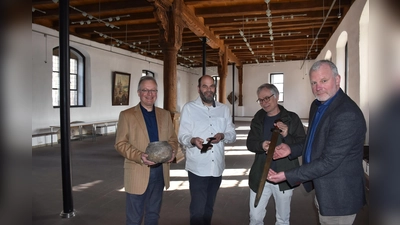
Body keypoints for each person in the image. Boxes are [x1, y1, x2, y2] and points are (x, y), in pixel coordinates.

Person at [267, 60, 367, 225]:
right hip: (323, 188)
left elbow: (328, 161)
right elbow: (314, 139)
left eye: (323, 80)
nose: (318, 87)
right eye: (314, 82)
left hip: (339, 196)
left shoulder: (347, 114)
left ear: (337, 80)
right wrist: (291, 149)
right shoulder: (318, 105)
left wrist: (288, 175)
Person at [114, 76, 179, 225]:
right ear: (138, 92)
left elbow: (172, 139)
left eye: (153, 90)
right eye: (145, 90)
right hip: (138, 170)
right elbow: (120, 143)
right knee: (134, 218)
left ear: (157, 92)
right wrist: (139, 156)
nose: (150, 94)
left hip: (159, 172)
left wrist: (172, 152)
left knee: (153, 214)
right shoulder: (127, 115)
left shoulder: (164, 114)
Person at [178, 75, 236, 225]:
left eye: (211, 86)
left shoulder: (223, 109)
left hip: (216, 166)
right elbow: (182, 135)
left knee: (209, 206)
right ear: (198, 89)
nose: (208, 90)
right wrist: (192, 140)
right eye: (205, 86)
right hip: (197, 166)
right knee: (197, 209)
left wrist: (223, 136)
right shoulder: (189, 108)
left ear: (215, 88)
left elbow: (232, 135)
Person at [247, 83, 306, 225]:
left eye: (267, 98)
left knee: (283, 219)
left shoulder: (292, 118)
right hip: (261, 174)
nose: (264, 102)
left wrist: (287, 135)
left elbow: (302, 144)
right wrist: (261, 145)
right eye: (261, 100)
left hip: (284, 175)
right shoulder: (258, 118)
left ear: (277, 97)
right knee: (255, 217)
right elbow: (250, 142)